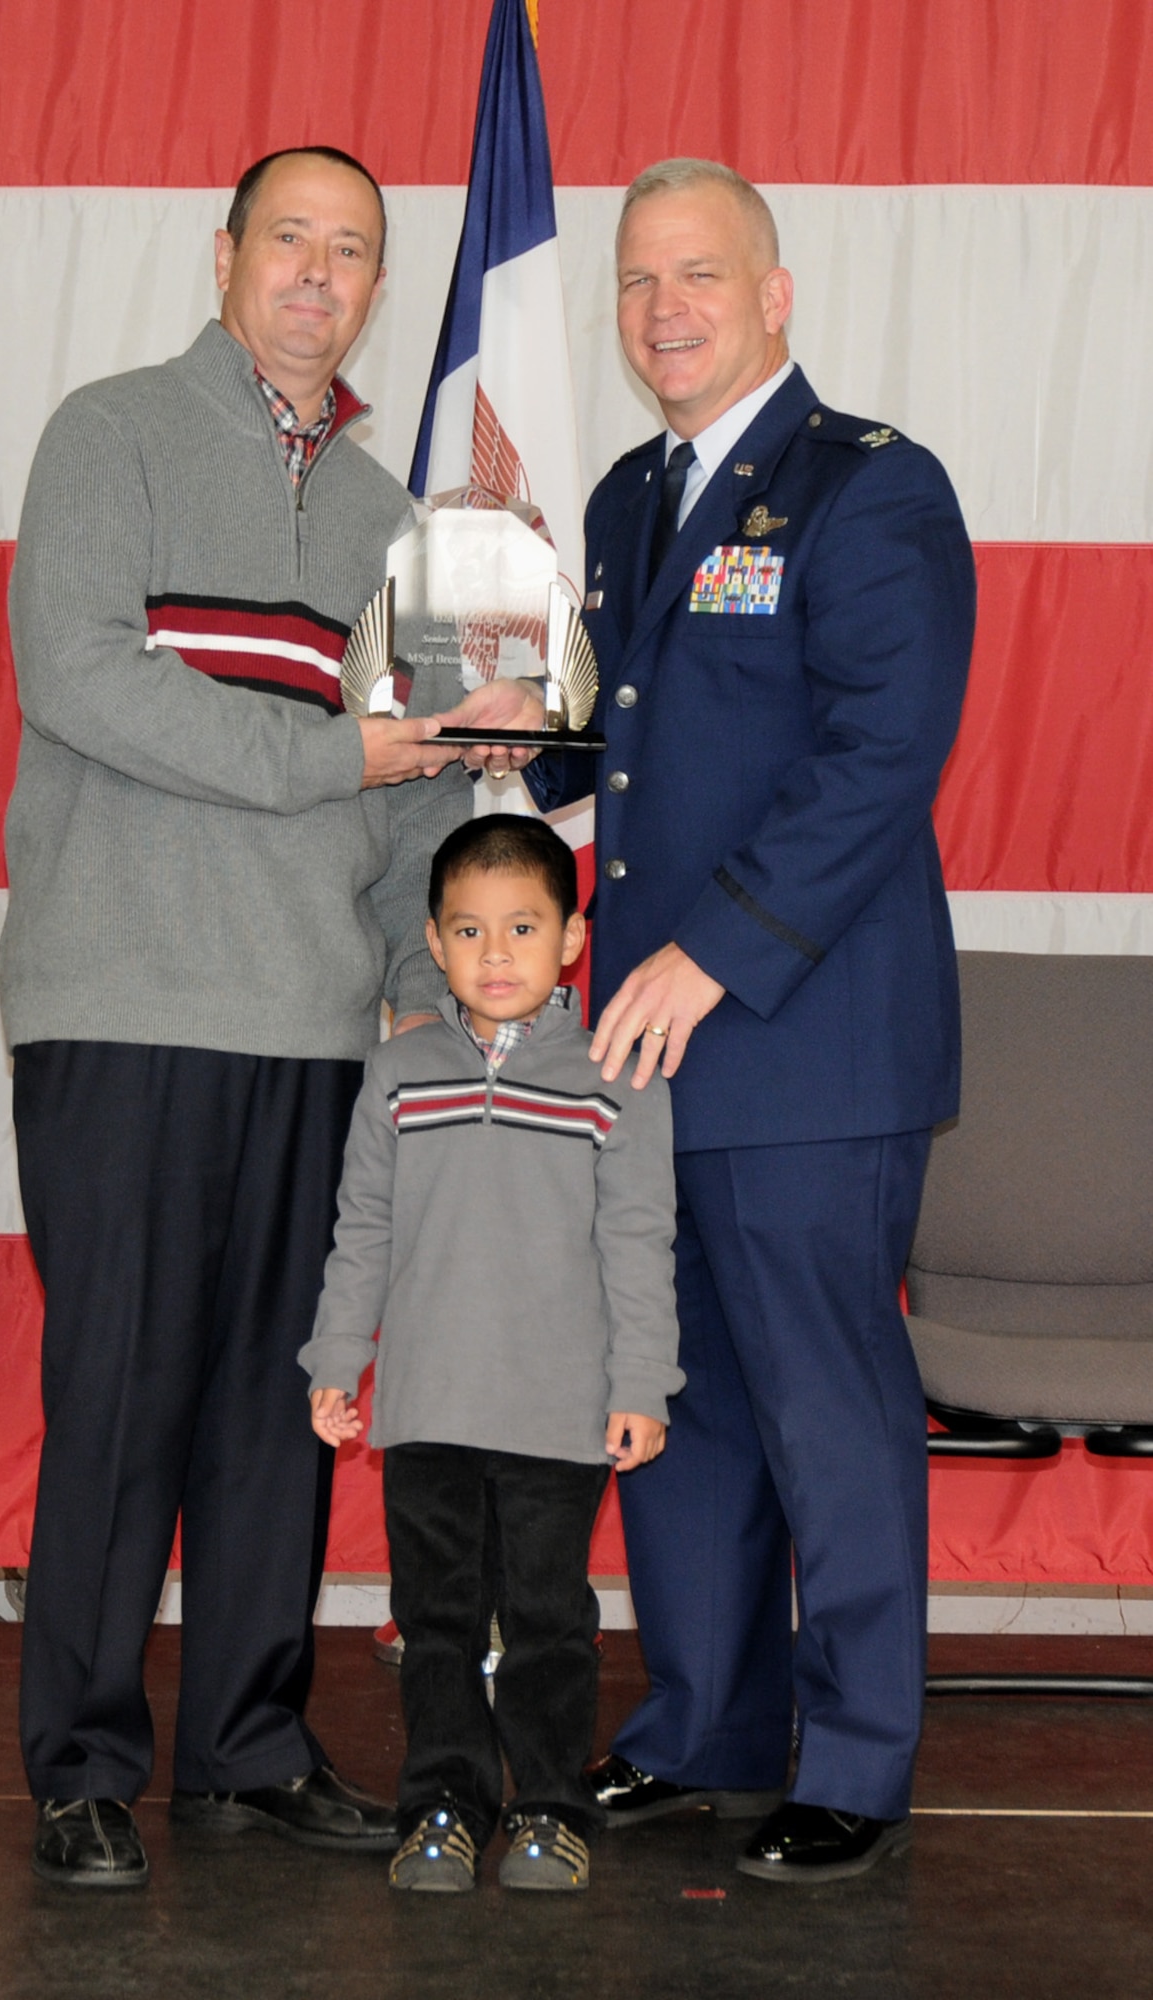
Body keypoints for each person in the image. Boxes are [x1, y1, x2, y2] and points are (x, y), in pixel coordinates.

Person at [2, 146, 521, 1890]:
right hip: (126, 1001)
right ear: (224, 255)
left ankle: (240, 1743)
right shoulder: (109, 433)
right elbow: (76, 672)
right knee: (122, 1393)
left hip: (315, 1028)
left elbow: (405, 803)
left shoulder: (393, 519)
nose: (317, 272)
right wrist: (334, 756)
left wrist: (411, 973)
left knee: (269, 1404)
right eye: (288, 238)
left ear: (376, 289)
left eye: (351, 251)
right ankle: (79, 1763)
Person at [525, 158, 976, 1883]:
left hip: (801, 1037)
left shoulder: (869, 489)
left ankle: (851, 1763)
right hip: (649, 1045)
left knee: (823, 1407)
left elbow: (879, 756)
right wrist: (503, 732)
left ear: (772, 294)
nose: (663, 309)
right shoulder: (633, 494)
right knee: (683, 1400)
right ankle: (700, 1725)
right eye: (638, 282)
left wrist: (711, 953)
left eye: (698, 275)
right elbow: (621, 742)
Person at [299, 815, 683, 1893]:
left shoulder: (619, 1075)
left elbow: (638, 1241)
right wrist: (336, 1357)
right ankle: (441, 1802)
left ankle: (550, 1806)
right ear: (431, 939)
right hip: (425, 1412)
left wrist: (640, 1384)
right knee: (437, 1624)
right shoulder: (397, 1072)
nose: (497, 952)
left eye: (523, 926)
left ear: (570, 937)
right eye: (469, 929)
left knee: (550, 1623)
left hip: (558, 1418)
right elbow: (360, 1227)